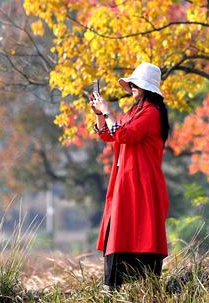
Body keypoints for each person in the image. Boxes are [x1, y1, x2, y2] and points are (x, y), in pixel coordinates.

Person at [88, 61, 170, 291]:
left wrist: (107, 110)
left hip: (142, 183)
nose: (132, 86)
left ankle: (147, 289)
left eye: (136, 83)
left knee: (141, 230)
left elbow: (123, 134)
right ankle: (112, 287)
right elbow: (110, 135)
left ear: (148, 88)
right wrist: (99, 115)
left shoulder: (152, 114)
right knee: (118, 229)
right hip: (126, 182)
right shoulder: (135, 112)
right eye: (132, 83)